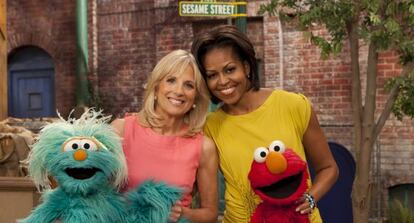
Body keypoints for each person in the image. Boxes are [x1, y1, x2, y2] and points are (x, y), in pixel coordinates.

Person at [191, 25, 339, 223]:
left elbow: (329, 168)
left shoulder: (293, 105)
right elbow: (190, 185)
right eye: (212, 75)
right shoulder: (209, 126)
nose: (223, 81)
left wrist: (311, 199)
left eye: (230, 69)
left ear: (247, 67)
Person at [111, 49, 218, 223]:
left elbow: (210, 213)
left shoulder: (204, 147)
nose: (179, 91)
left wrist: (183, 214)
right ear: (156, 87)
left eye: (189, 85)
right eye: (171, 80)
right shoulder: (121, 130)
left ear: (195, 98)